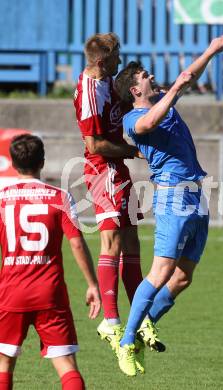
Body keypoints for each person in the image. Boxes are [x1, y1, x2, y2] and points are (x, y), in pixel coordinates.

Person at [114, 34, 223, 376]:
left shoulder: (164, 97)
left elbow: (187, 78)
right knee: (161, 271)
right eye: (145, 76)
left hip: (196, 194)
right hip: (172, 197)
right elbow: (148, 124)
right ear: (135, 90)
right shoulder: (132, 120)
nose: (151, 77)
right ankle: (126, 341)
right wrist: (175, 90)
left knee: (182, 278)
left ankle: (146, 322)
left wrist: (209, 51)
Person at [73, 33, 155, 367]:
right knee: (112, 243)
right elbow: (94, 145)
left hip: (117, 168)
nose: (121, 60)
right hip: (102, 169)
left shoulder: (107, 80)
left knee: (132, 240)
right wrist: (133, 151)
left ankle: (138, 316)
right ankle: (111, 320)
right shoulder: (91, 94)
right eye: (117, 56)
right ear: (103, 60)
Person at [0, 134, 101, 390]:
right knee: (66, 365)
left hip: (11, 292)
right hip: (50, 292)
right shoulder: (60, 197)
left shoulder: (2, 198)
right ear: (42, 162)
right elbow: (77, 243)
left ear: (13, 163)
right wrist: (92, 284)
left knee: (4, 363)